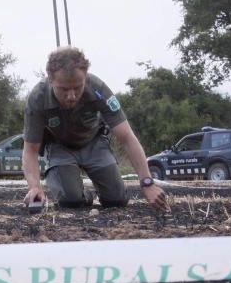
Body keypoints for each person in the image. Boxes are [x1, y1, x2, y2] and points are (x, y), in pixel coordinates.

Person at [21, 46, 167, 211]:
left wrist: (147, 183)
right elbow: (30, 151)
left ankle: (106, 191)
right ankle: (83, 195)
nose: (71, 96)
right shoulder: (37, 98)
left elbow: (127, 138)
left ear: (85, 78)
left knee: (117, 200)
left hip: (94, 143)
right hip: (59, 147)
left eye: (77, 87)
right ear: (50, 80)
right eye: (63, 89)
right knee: (70, 201)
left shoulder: (98, 89)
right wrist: (34, 187)